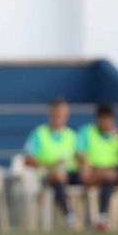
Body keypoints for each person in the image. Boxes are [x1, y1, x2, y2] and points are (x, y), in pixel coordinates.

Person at [76, 104, 118, 231]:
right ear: (97, 119)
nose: (107, 123)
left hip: (115, 171)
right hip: (96, 171)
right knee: (109, 179)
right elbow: (79, 154)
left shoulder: (116, 135)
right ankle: (103, 217)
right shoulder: (86, 131)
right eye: (104, 119)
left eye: (110, 119)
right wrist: (88, 165)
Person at [23, 97, 79, 228]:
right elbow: (27, 158)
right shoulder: (38, 133)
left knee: (99, 177)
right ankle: (70, 218)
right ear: (50, 113)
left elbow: (79, 158)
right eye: (57, 113)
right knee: (58, 176)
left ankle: (101, 218)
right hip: (45, 175)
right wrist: (49, 165)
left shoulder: (72, 135)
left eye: (63, 114)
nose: (60, 117)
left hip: (69, 174)